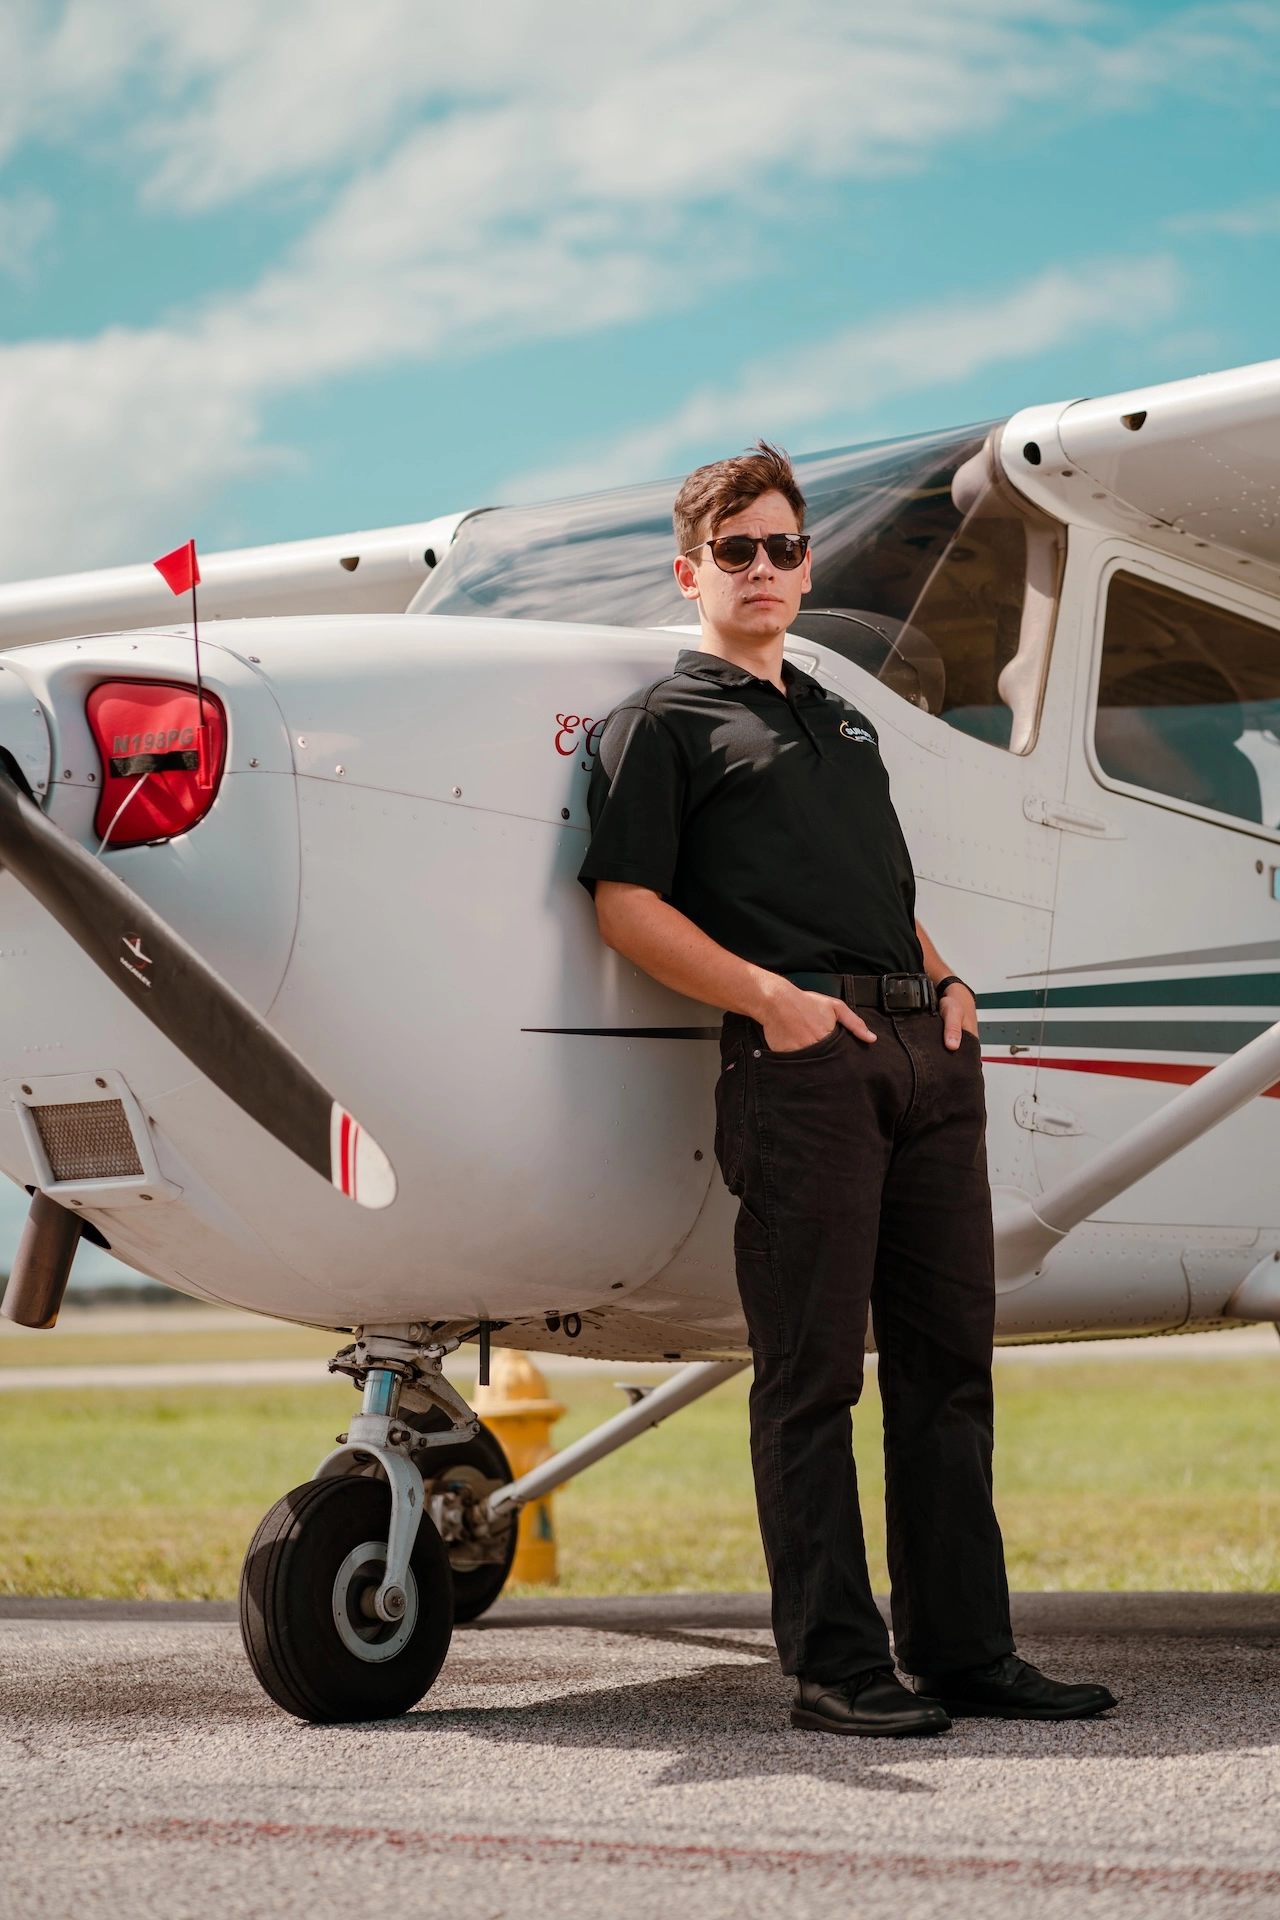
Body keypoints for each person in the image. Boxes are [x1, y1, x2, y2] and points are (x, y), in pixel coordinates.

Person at [578, 442, 1116, 1738]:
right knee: (811, 1377)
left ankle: (966, 1653)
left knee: (949, 1368)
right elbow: (624, 905)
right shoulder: (662, 724)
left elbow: (883, 884)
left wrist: (947, 987)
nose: (766, 570)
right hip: (799, 1069)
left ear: (807, 562)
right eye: (738, 551)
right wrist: (770, 1002)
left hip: (924, 1060)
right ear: (691, 570)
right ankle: (836, 1666)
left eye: (785, 548)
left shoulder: (844, 711)